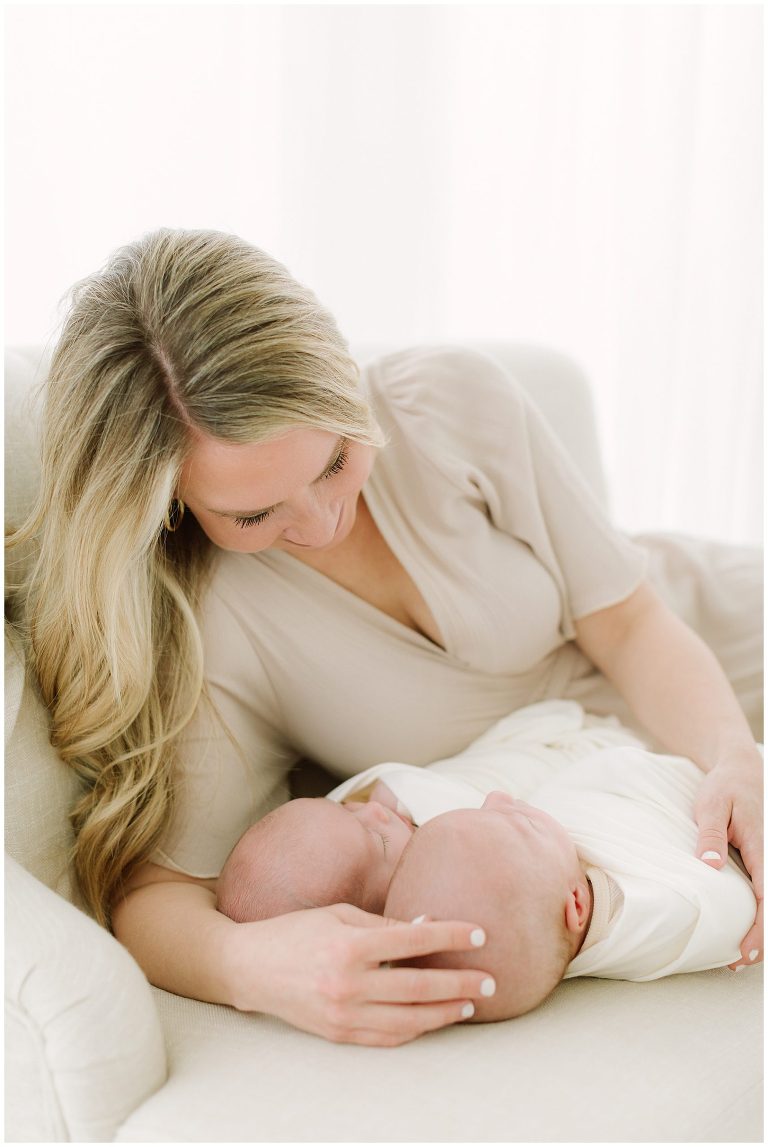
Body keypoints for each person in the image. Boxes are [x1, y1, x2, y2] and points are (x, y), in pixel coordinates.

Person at [9, 228, 762, 1048]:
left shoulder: (449, 400)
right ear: (171, 505)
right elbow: (159, 892)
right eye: (255, 514)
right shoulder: (218, 629)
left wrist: (736, 755)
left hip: (718, 649)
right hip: (638, 800)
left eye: (335, 458)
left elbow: (632, 622)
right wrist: (251, 965)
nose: (324, 520)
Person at [216, 702, 756, 1023]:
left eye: (346, 807)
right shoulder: (509, 891)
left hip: (600, 714)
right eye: (376, 844)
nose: (378, 814)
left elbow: (436, 786)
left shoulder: (408, 808)